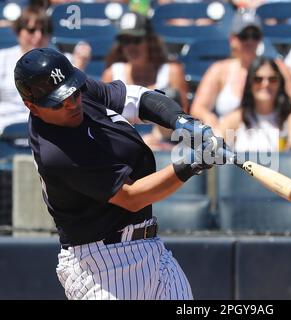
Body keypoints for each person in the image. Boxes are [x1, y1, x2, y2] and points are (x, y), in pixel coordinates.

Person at [14, 47, 226, 300]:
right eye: (59, 102)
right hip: (100, 267)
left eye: (74, 93)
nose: (72, 104)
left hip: (150, 249)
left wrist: (182, 121)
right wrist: (194, 163)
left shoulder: (79, 94)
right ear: (32, 106)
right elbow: (132, 197)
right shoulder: (56, 153)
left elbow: (134, 98)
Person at [190, 10, 291, 149]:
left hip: (273, 138)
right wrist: (215, 125)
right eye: (244, 36)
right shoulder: (219, 70)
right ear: (232, 39)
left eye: (255, 36)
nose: (250, 41)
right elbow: (198, 109)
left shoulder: (277, 67)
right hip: (229, 142)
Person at [102, 11, 189, 150]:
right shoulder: (112, 73)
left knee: (170, 95)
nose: (131, 47)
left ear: (150, 41)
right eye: (125, 41)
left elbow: (183, 121)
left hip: (166, 147)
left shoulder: (171, 72)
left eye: (136, 40)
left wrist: (157, 138)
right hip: (126, 146)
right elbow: (104, 121)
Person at [0, 6, 91, 134]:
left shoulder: (63, 60)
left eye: (44, 30)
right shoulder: (2, 59)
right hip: (7, 131)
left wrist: (80, 65)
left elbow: (78, 99)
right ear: (19, 32)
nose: (38, 36)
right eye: (31, 30)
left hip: (52, 131)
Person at [218, 57, 291, 152]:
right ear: (249, 83)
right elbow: (217, 148)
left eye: (272, 79)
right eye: (258, 79)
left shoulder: (290, 119)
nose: (265, 84)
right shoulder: (235, 120)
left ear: (280, 83)